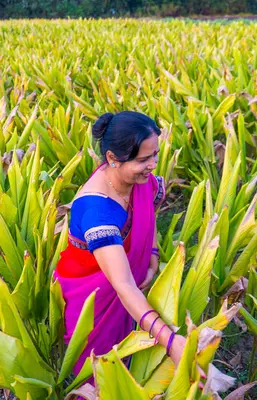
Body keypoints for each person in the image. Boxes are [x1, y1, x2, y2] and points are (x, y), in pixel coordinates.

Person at [54, 111, 186, 376]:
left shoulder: (137, 180)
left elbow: (148, 213)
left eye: (155, 154)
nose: (153, 165)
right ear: (113, 158)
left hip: (126, 286)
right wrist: (171, 342)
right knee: (101, 375)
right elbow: (123, 285)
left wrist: (152, 251)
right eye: (143, 159)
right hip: (93, 300)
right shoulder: (97, 211)